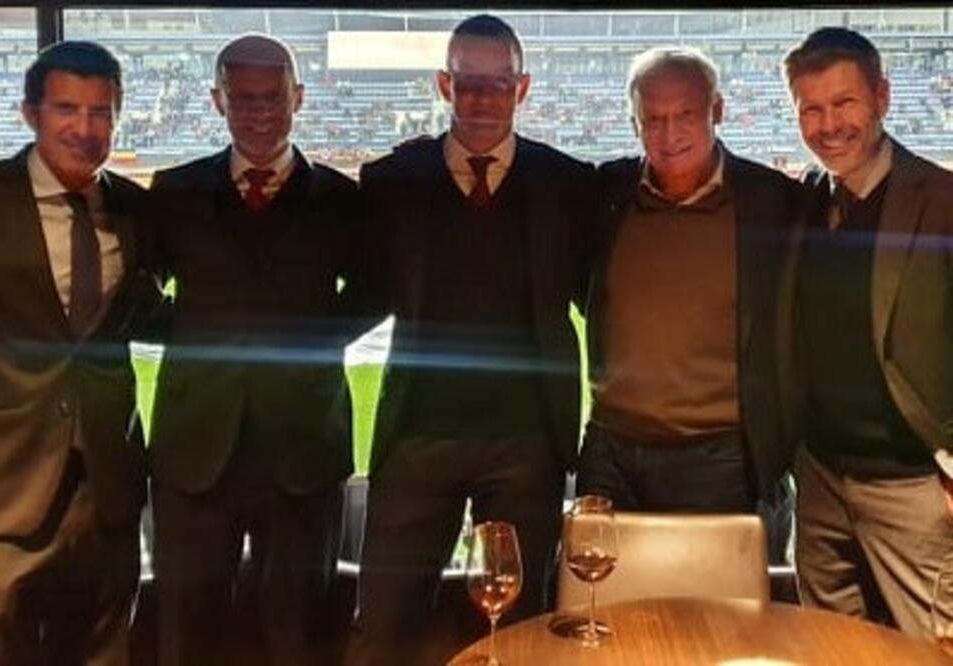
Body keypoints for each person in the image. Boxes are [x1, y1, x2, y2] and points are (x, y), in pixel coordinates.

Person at [348, 14, 594, 665]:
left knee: (517, 630)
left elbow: (602, 300)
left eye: (499, 83)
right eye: (469, 84)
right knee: (384, 624)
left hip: (526, 444)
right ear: (443, 85)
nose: (484, 99)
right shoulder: (392, 181)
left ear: (523, 88)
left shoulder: (568, 184)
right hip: (416, 438)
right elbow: (359, 295)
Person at [147, 34, 361, 666]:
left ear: (299, 97)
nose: (259, 112)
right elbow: (134, 287)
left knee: (298, 632)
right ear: (218, 100)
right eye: (243, 99)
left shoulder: (342, 200)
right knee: (186, 630)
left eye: (273, 98)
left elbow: (377, 289)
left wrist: (308, 340)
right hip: (195, 445)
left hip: (304, 445)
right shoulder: (174, 192)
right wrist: (196, 333)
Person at [0, 41, 151, 665]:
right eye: (67, 108)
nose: (85, 128)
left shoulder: (135, 208)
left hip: (108, 491)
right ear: (29, 113)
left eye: (101, 112)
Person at [577, 47, 801, 549]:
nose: (669, 133)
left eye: (685, 114)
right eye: (653, 119)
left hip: (722, 459)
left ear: (716, 110)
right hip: (610, 450)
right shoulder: (607, 192)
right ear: (634, 124)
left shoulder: (771, 200)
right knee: (595, 590)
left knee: (715, 596)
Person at [783, 27, 953, 636]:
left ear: (882, 96)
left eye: (845, 102)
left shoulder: (941, 200)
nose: (829, 125)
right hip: (820, 479)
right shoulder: (809, 198)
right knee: (829, 647)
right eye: (811, 109)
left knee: (931, 650)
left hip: (913, 487)